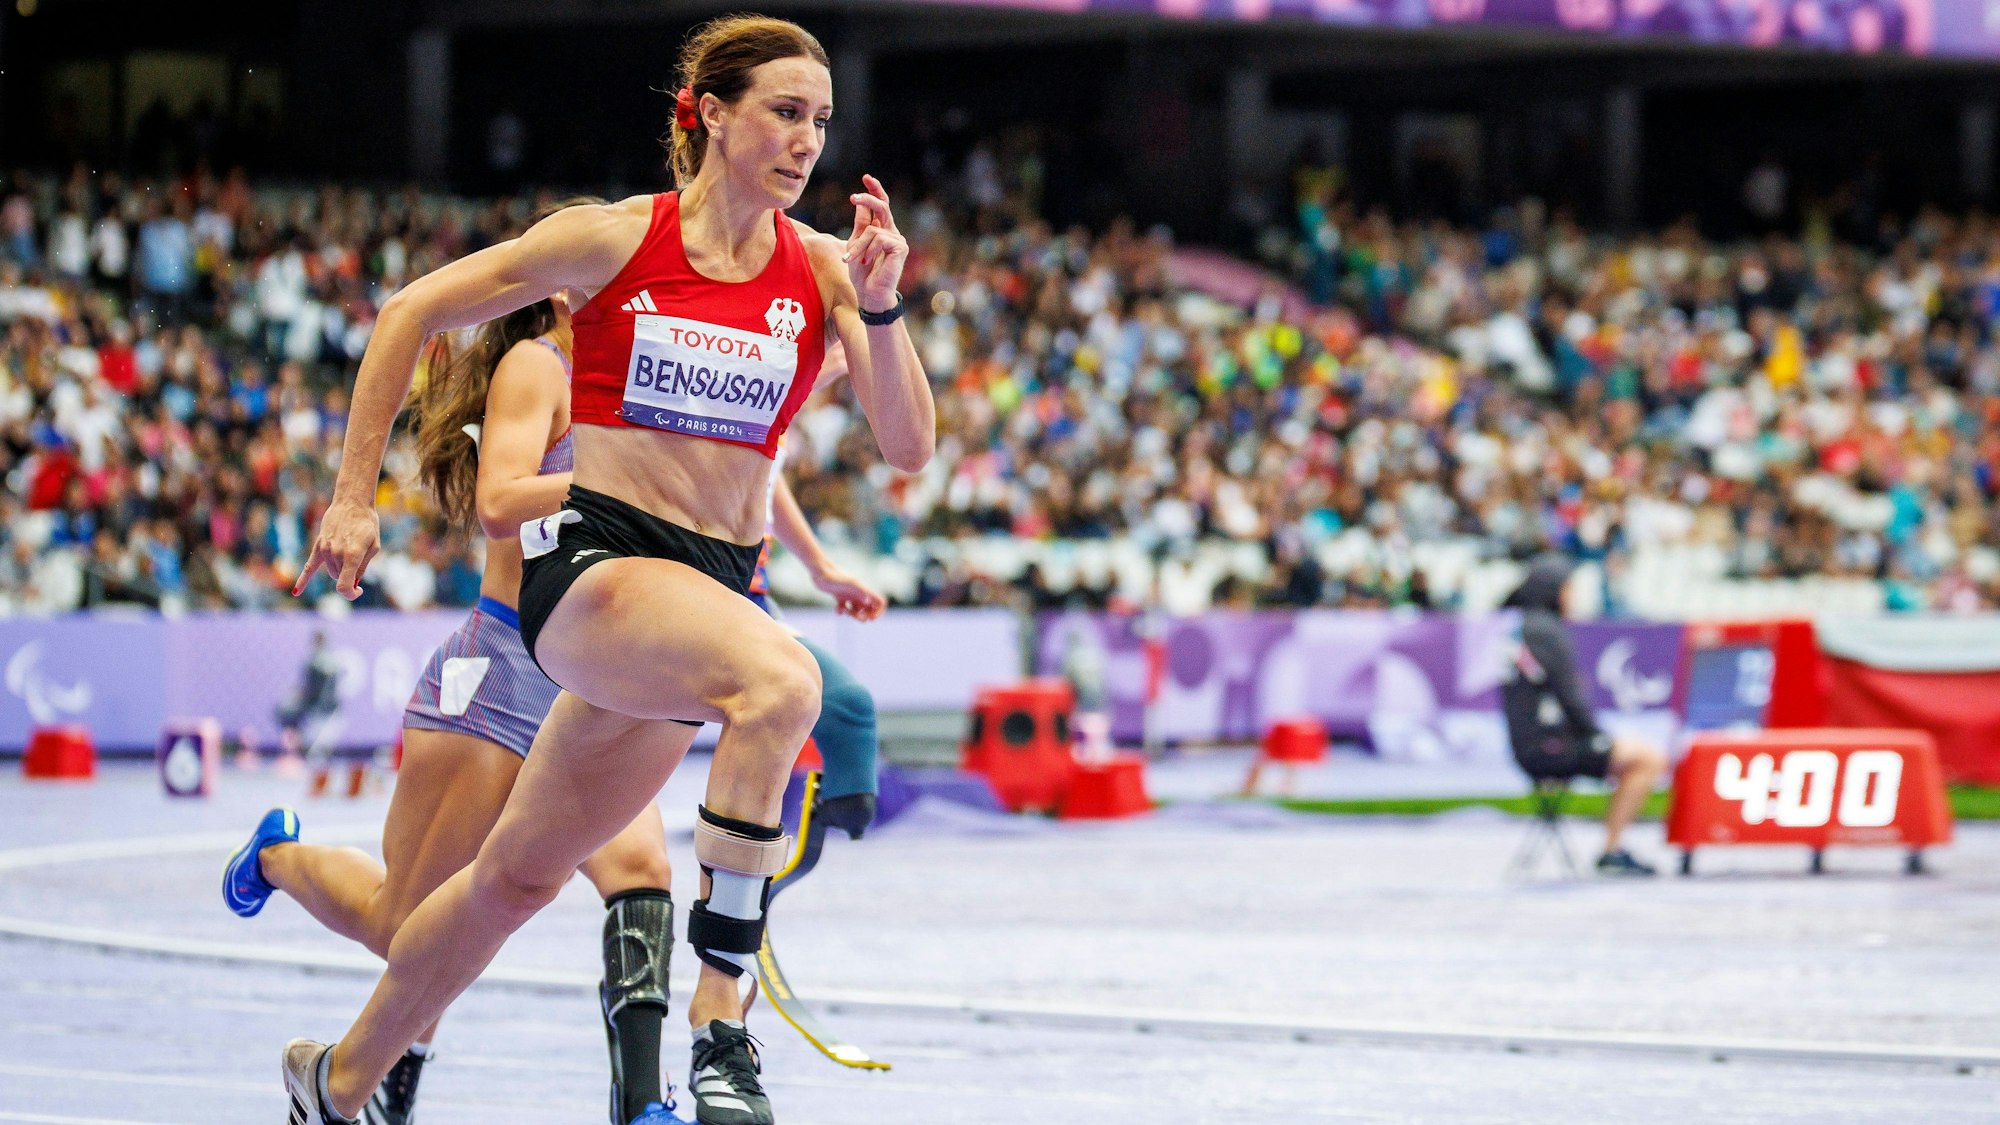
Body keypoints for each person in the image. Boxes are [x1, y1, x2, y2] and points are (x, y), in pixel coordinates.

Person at [281, 16, 933, 1125]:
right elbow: (409, 312)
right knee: (783, 682)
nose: (807, 142)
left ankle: (336, 1080)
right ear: (711, 114)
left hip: (699, 596)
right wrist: (351, 496)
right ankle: (720, 1024)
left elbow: (909, 446)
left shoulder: (824, 268)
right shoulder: (614, 240)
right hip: (593, 568)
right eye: (784, 113)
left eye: (821, 122)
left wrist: (879, 303)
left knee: (511, 881)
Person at [225, 280, 687, 1125]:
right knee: (405, 923)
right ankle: (276, 859)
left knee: (641, 871)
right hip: (504, 671)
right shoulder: (537, 367)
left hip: (595, 678)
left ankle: (644, 1104)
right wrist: (616, 481)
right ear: (564, 290)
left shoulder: (636, 382)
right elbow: (499, 503)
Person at [1499, 554, 1669, 876]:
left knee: (1636, 753)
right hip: (1552, 747)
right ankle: (1612, 849)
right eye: (1569, 589)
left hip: (1532, 745)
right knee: (1648, 759)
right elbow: (1570, 695)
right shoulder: (1545, 631)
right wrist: (1594, 736)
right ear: (1553, 590)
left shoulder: (1522, 627)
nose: (1572, 597)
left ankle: (1612, 847)